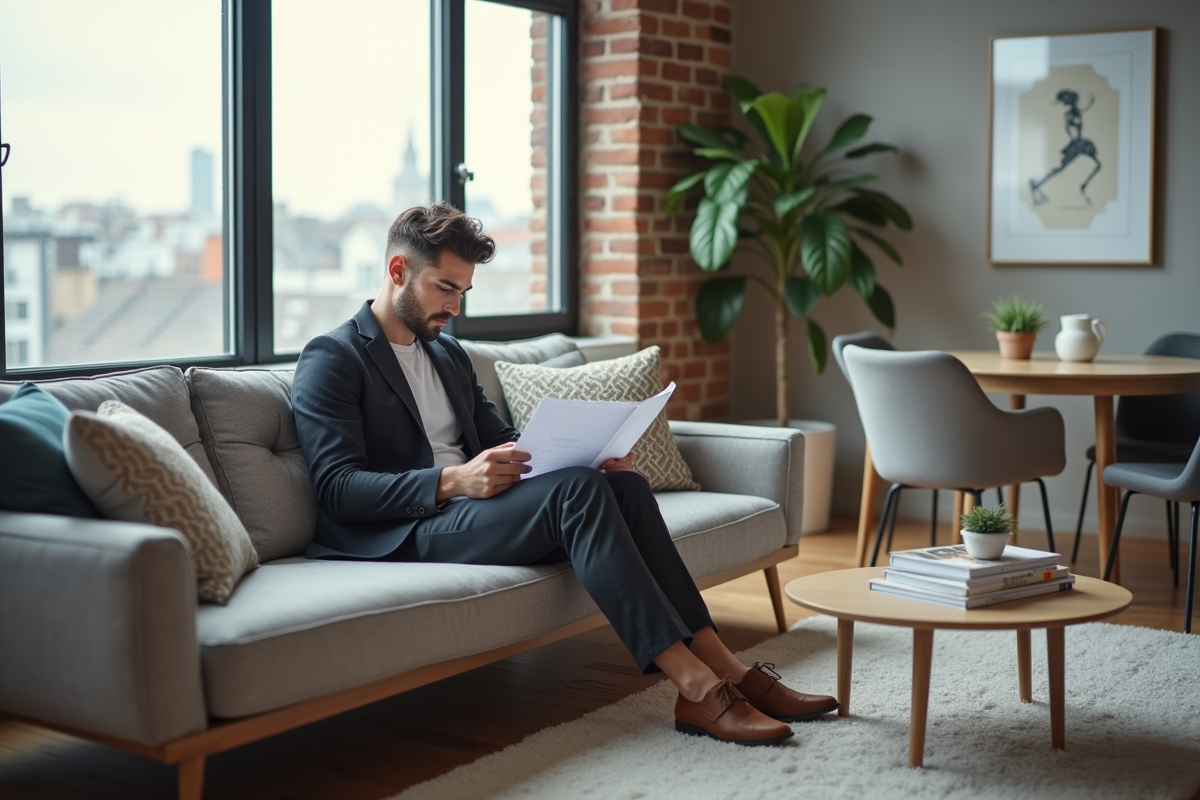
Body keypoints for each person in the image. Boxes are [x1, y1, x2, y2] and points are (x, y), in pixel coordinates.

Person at [290, 202, 838, 745]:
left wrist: (582, 454)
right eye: (445, 288)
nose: (455, 306)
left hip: (476, 510)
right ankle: (696, 687)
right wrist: (455, 481)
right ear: (397, 271)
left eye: (463, 292)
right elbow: (338, 490)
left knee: (621, 484)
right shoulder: (334, 357)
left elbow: (504, 440)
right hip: (408, 529)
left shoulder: (447, 355)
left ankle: (728, 669)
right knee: (579, 493)